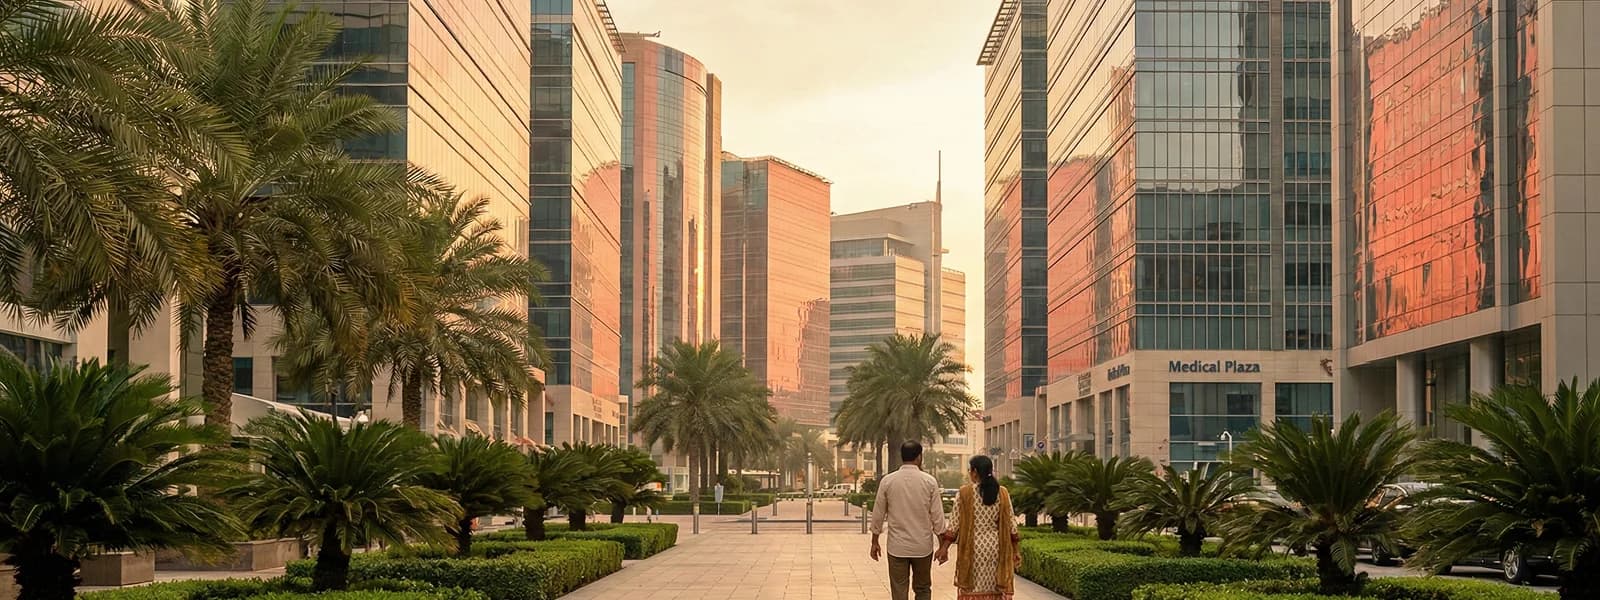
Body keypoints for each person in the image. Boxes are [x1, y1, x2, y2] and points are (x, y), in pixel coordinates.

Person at [870, 440, 947, 600]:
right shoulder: (929, 481)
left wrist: (874, 541)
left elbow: (878, 513)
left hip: (897, 547)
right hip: (922, 547)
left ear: (902, 456)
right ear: (919, 457)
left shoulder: (888, 481)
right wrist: (942, 545)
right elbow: (937, 517)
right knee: (923, 589)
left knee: (899, 590)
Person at [935, 455, 1020, 600]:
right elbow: (1012, 526)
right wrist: (1015, 551)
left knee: (971, 589)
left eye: (970, 470)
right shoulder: (1002, 492)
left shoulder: (964, 493)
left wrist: (944, 548)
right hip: (996, 548)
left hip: (972, 550)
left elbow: (954, 525)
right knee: (994, 590)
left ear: (974, 472)